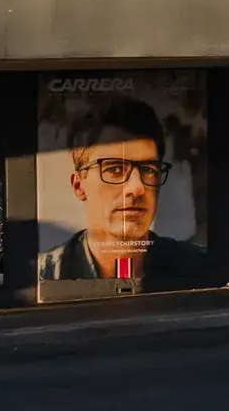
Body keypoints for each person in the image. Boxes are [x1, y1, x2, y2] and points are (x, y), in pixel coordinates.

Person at [37, 96, 208, 287]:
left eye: (148, 170)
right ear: (79, 186)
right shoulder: (41, 278)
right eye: (114, 169)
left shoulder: (202, 268)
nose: (137, 188)